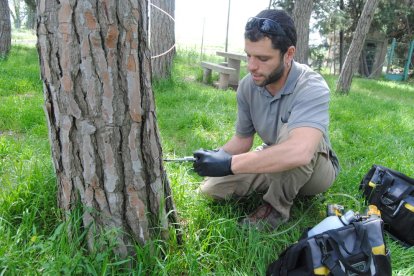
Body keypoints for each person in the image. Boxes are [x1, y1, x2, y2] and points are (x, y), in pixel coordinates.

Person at [193, 9, 340, 231]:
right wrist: (216, 156)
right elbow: (242, 141)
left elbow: (300, 151)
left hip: (315, 170)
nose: (251, 66)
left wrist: (229, 164)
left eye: (263, 58)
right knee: (210, 190)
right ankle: (274, 183)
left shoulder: (311, 86)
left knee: (293, 139)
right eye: (249, 55)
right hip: (274, 157)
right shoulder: (247, 86)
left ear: (288, 54)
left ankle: (274, 209)